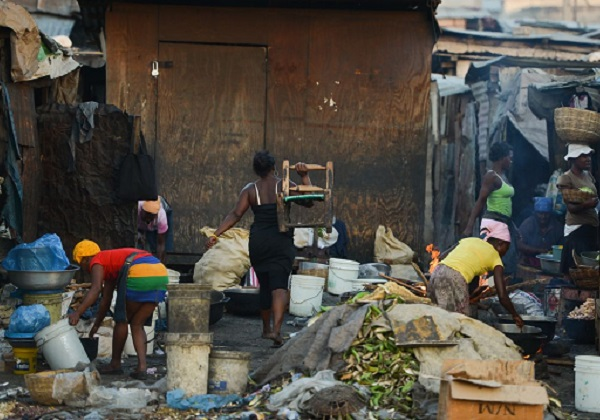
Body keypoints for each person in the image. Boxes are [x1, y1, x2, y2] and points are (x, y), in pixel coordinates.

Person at [205, 151, 311, 348]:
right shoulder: (287, 185)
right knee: (279, 287)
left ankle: (265, 330)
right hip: (281, 240)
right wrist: (304, 176)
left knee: (264, 285)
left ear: (256, 170)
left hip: (259, 242)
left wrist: (216, 234)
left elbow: (236, 214)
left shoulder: (250, 189)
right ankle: (277, 331)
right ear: (273, 167)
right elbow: (309, 201)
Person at [68, 240, 168, 379]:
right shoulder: (110, 264)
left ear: (86, 259)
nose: (86, 268)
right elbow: (106, 300)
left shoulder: (97, 260)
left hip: (139, 271)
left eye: (82, 264)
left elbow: (96, 289)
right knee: (137, 324)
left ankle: (115, 364)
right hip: (160, 273)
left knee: (122, 320)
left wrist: (77, 313)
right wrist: (97, 324)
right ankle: (142, 367)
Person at [429, 220, 524, 327]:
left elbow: (442, 256)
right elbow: (502, 296)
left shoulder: (471, 240)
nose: (506, 252)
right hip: (455, 278)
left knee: (438, 317)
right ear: (500, 244)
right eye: (507, 247)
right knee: (462, 323)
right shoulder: (496, 258)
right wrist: (515, 315)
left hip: (436, 273)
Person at [463, 142, 519, 276]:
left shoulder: (504, 176)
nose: (511, 161)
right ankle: (491, 292)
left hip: (505, 222)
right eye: (509, 158)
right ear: (502, 158)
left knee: (507, 262)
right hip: (494, 223)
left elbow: (505, 205)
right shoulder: (491, 177)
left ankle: (500, 292)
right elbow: (480, 201)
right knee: (494, 262)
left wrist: (514, 227)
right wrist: (469, 226)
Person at [557, 144, 599, 279]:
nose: (588, 159)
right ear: (573, 159)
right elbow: (571, 208)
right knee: (574, 269)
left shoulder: (588, 175)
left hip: (591, 226)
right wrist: (588, 204)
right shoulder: (566, 178)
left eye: (588, 156)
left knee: (589, 270)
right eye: (583, 156)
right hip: (577, 229)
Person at [517, 197, 564, 268]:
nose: (543, 217)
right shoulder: (528, 224)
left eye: (546, 214)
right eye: (540, 213)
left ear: (550, 214)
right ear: (535, 213)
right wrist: (539, 250)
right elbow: (519, 245)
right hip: (528, 262)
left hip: (551, 264)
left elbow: (562, 246)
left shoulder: (557, 227)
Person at [137, 196, 172, 263]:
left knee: (159, 245)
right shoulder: (136, 209)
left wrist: (158, 264)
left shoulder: (161, 216)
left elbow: (161, 243)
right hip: (140, 221)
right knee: (140, 242)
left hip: (165, 210)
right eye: (147, 214)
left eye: (151, 216)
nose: (148, 218)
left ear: (156, 215)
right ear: (142, 210)